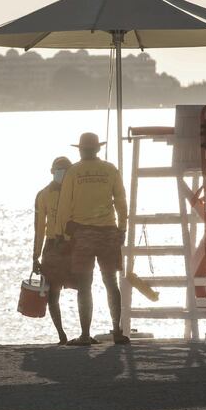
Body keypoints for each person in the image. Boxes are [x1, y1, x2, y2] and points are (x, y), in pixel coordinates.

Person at [54, 132, 130, 346]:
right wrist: (122, 228)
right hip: (108, 232)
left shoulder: (73, 172)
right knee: (110, 282)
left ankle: (85, 335)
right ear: (97, 149)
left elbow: (63, 206)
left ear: (80, 150)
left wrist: (61, 234)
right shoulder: (110, 169)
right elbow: (121, 201)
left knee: (85, 284)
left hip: (83, 234)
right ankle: (117, 330)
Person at [33, 156, 74, 345]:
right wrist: (35, 256)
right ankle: (61, 335)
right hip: (52, 247)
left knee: (84, 288)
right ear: (52, 172)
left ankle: (84, 332)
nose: (62, 173)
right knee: (52, 295)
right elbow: (39, 229)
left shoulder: (77, 193)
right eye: (59, 170)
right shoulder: (43, 195)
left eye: (65, 170)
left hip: (73, 246)